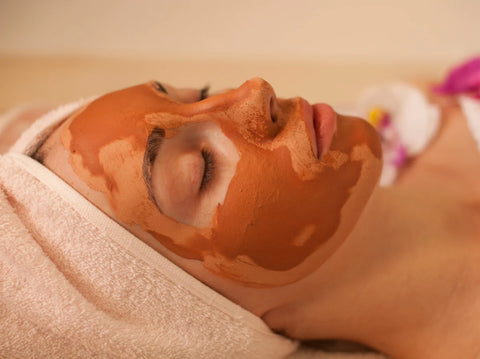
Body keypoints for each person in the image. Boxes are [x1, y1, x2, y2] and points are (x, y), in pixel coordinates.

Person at [1, 71, 480, 359]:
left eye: (197, 94)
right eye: (202, 169)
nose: (254, 93)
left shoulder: (429, 118)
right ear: (200, 321)